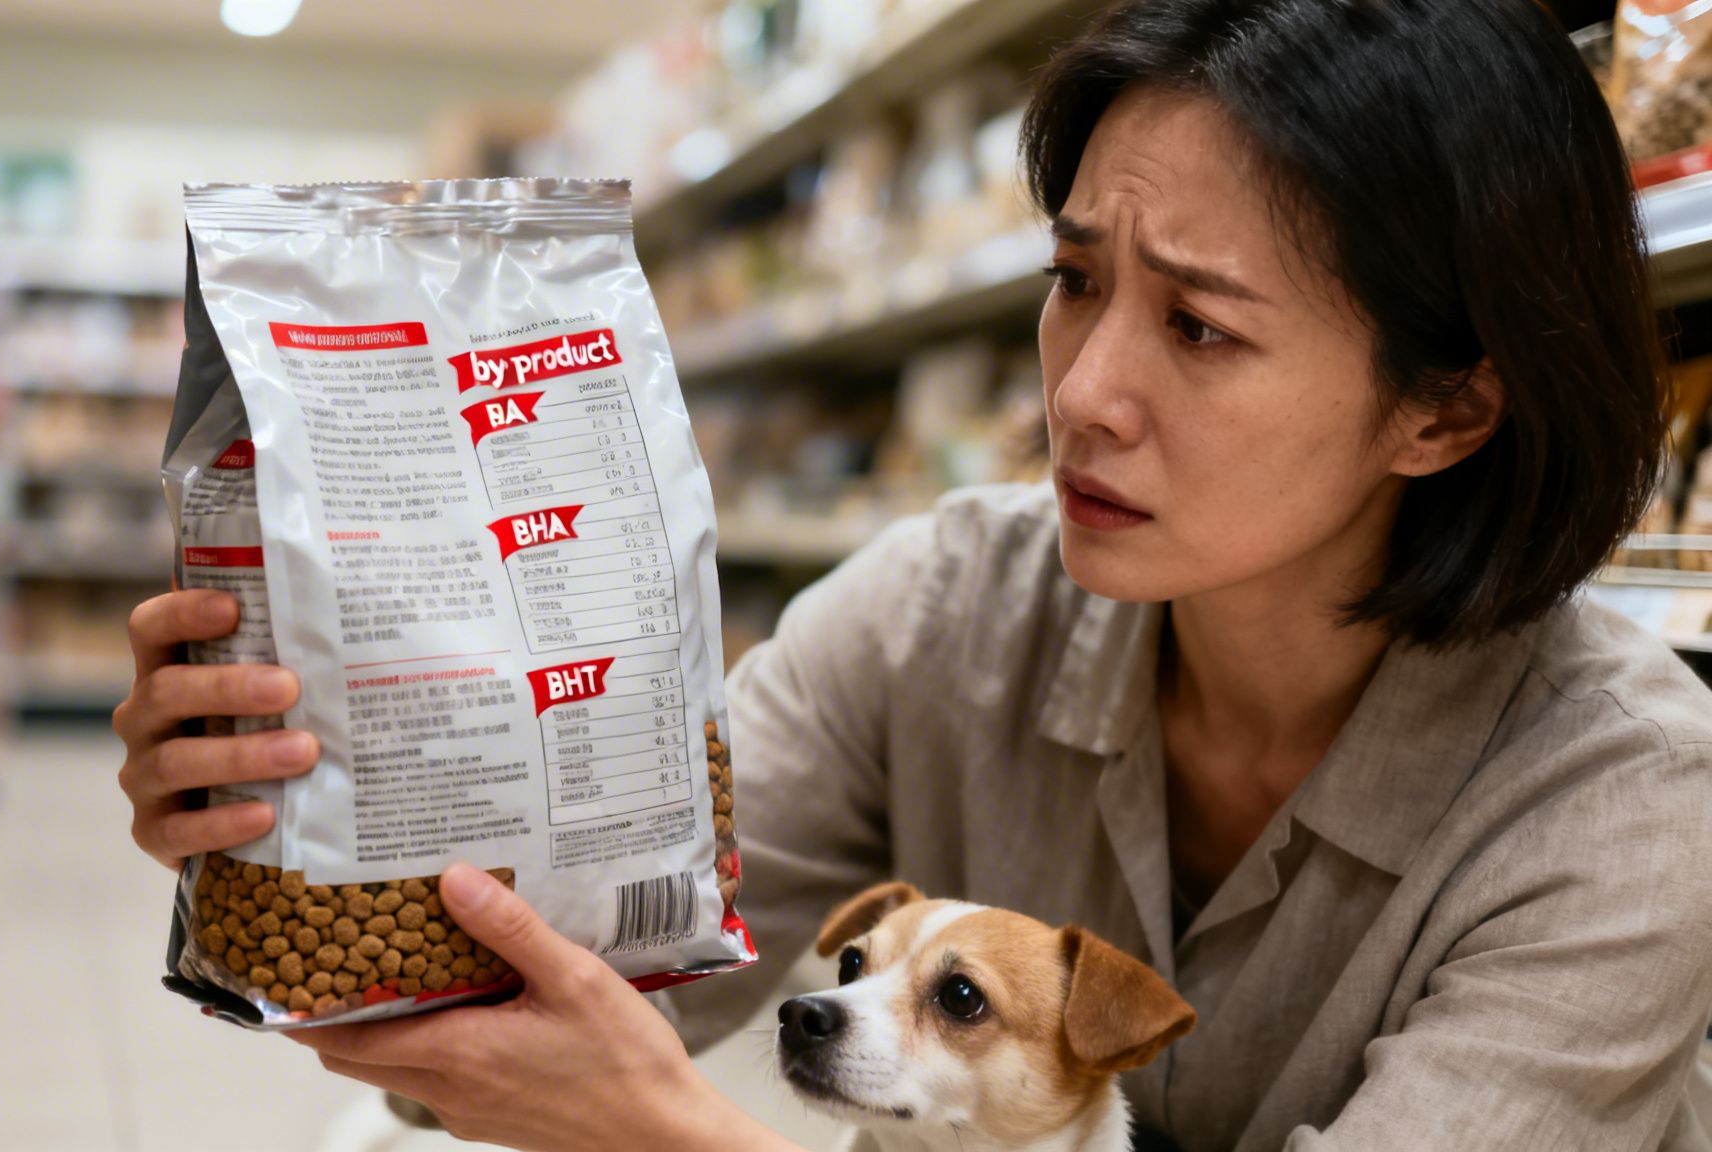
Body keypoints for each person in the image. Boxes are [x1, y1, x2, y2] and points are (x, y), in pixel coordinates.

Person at [113, 0, 1712, 1147]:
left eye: (1201, 326)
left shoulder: (1623, 807)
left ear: (1446, 407)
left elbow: (641, 1097)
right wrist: (336, 808)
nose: (1080, 391)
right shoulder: (943, 612)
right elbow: (587, 990)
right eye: (1075, 281)